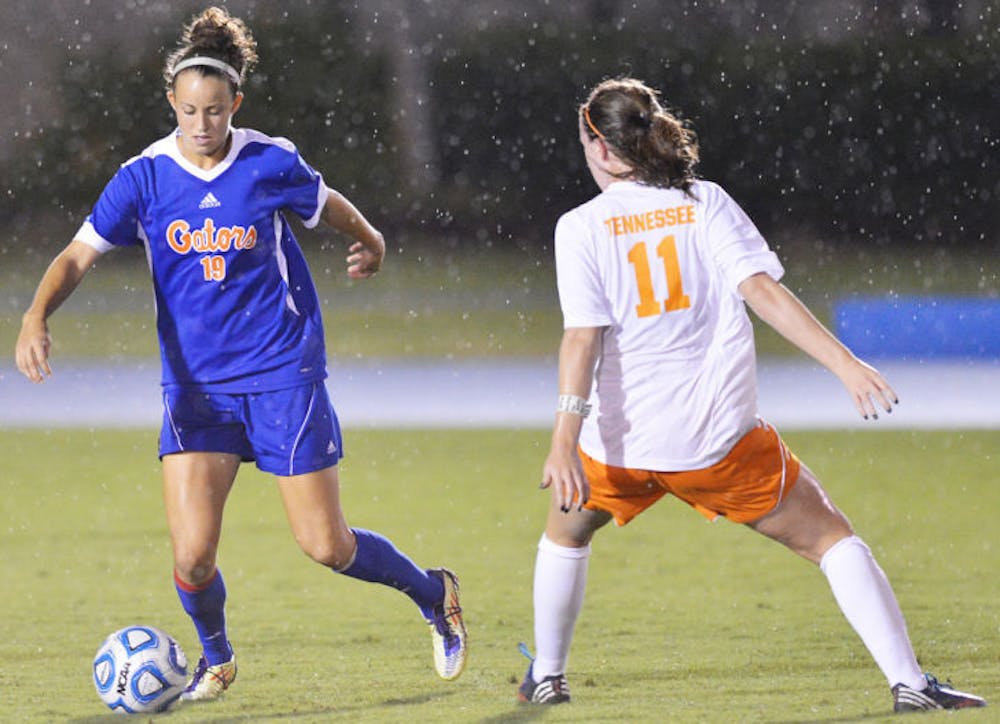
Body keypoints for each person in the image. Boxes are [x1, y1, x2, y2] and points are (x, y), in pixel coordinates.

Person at [15, 6, 466, 703]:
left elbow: (328, 201)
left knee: (327, 546)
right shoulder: (143, 178)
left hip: (282, 371)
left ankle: (432, 592)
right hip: (197, 389)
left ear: (236, 106)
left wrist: (370, 239)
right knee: (192, 559)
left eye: (216, 111)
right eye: (190, 109)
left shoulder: (267, 162)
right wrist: (36, 315)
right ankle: (217, 660)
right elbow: (78, 254)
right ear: (171, 102)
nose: (202, 124)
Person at [517, 77, 985, 714]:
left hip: (621, 447)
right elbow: (762, 293)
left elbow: (582, 339)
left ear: (599, 146)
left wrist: (563, 443)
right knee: (831, 539)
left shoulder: (580, 227)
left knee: (566, 536)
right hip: (715, 444)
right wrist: (845, 366)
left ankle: (547, 676)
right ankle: (909, 682)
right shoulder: (704, 202)